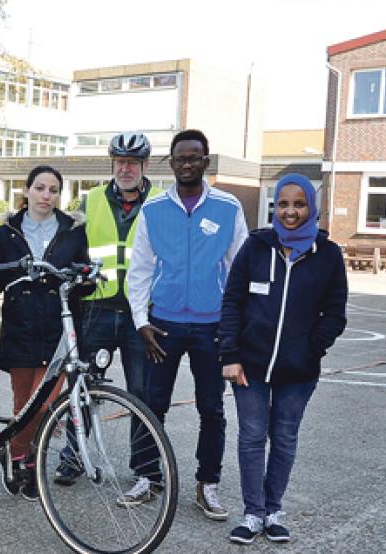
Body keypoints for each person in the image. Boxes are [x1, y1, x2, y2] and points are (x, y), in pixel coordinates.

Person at [125, 129, 248, 521]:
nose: (188, 163)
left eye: (195, 157)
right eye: (181, 158)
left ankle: (207, 483)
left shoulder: (228, 207)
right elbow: (139, 269)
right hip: (163, 326)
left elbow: (239, 271)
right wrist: (142, 321)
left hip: (212, 327)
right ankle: (148, 477)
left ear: (206, 161)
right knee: (151, 405)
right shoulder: (154, 209)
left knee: (211, 408)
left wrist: (233, 327)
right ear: (172, 162)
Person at [219, 174, 347, 544]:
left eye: (299, 204)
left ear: (311, 208)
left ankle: (273, 510)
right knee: (252, 437)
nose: (290, 211)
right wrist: (230, 353)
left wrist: (310, 349)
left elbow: (335, 313)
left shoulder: (328, 255)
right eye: (284, 204)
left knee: (285, 436)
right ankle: (252, 513)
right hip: (250, 366)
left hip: (299, 371)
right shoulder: (256, 246)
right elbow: (232, 301)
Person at [0, 165, 91, 500]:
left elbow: (82, 275)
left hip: (58, 329)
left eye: (53, 190)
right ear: (26, 191)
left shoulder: (72, 230)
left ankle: (21, 453)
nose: (46, 195)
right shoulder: (7, 232)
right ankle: (24, 462)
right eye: (40, 188)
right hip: (20, 326)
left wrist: (85, 279)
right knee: (25, 404)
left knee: (46, 405)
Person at [54, 131, 165, 486]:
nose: (126, 168)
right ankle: (73, 457)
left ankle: (146, 470)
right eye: (120, 162)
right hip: (97, 309)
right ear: (112, 164)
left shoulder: (162, 202)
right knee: (83, 387)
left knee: (142, 394)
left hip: (140, 315)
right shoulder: (92, 200)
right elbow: (71, 245)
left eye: (133, 162)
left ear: (145, 165)